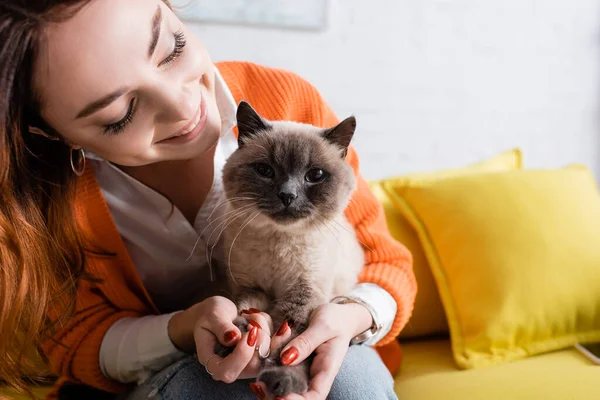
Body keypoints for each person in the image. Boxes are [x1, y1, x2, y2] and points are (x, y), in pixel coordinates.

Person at [0, 1, 416, 399]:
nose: (182, 107)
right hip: (167, 373)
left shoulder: (287, 103)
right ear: (50, 133)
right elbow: (78, 342)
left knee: (348, 382)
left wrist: (347, 318)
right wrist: (183, 327)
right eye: (120, 114)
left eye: (172, 49)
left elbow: (385, 264)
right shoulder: (41, 199)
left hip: (327, 341)